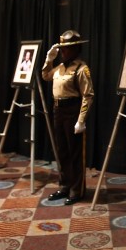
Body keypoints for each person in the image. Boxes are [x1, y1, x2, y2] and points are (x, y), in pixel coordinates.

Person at [42, 30, 94, 205]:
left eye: (67, 49)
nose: (63, 52)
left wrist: (81, 120)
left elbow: (88, 95)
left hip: (72, 110)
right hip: (58, 110)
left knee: (75, 152)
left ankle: (76, 189)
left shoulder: (81, 68)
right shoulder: (60, 67)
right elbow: (46, 75)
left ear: (76, 49)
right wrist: (49, 60)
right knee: (62, 150)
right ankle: (64, 185)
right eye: (62, 49)